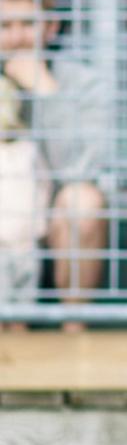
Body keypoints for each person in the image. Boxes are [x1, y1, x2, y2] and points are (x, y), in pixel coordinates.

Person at [0, 0, 109, 332]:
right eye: (5, 26)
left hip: (55, 216)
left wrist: (44, 90)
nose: (16, 38)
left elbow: (80, 168)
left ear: (50, 27)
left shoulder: (81, 82)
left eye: (28, 24)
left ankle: (73, 330)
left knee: (84, 201)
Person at [0, 74, 50, 332]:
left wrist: (40, 224)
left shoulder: (27, 149)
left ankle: (20, 343)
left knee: (24, 301)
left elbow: (43, 185)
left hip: (26, 239)